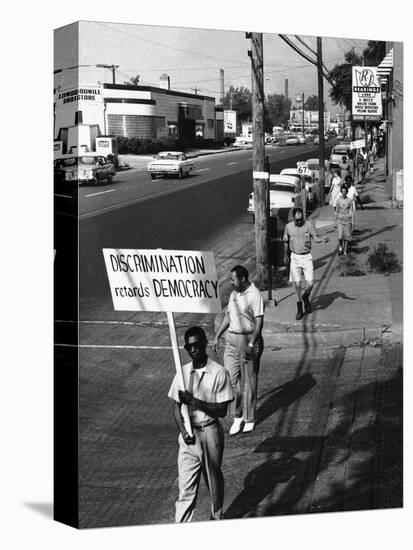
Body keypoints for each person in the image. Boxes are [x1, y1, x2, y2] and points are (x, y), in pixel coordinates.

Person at [168, 326, 233, 522]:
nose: (193, 350)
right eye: (189, 347)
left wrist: (194, 401)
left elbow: (222, 411)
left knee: (213, 481)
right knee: (186, 489)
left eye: (197, 345)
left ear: (204, 344)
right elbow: (176, 408)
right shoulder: (182, 373)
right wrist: (183, 431)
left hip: (209, 433)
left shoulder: (219, 372)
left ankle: (216, 517)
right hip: (188, 437)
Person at [213, 265, 264, 435]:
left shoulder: (254, 295)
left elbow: (259, 322)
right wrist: (218, 335)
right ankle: (237, 415)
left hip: (249, 338)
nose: (231, 282)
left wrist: (251, 345)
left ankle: (249, 418)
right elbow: (228, 316)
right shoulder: (234, 294)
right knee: (230, 380)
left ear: (242, 279)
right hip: (232, 340)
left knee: (249, 381)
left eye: (233, 279)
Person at [283, 207, 329, 320]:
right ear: (293, 218)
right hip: (295, 257)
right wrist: (285, 255)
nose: (299, 222)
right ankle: (299, 308)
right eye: (297, 220)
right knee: (297, 285)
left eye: (301, 219)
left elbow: (315, 237)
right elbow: (285, 242)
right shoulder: (288, 227)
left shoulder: (308, 225)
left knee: (310, 284)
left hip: (307, 257)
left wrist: (322, 239)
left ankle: (305, 296)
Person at [335, 185, 354, 256]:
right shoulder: (338, 200)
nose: (343, 193)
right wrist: (335, 221)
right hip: (340, 219)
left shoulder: (349, 200)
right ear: (340, 192)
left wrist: (352, 221)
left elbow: (351, 211)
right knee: (340, 236)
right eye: (342, 192)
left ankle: (345, 251)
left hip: (347, 219)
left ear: (347, 192)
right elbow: (336, 211)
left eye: (345, 192)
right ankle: (340, 246)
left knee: (346, 236)